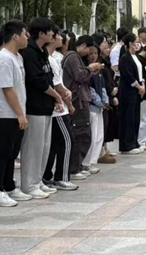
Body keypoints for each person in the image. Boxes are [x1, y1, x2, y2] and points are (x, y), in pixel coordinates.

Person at [20, 18, 65, 198]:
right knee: (33, 147)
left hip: (46, 106)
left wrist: (55, 99)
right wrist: (56, 95)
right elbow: (36, 80)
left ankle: (37, 180)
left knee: (44, 146)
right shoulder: (29, 53)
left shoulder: (42, 51)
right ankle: (29, 184)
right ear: (41, 33)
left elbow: (48, 77)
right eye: (50, 31)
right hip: (34, 106)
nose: (53, 34)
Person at [0, 21, 32, 207]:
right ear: (15, 36)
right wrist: (20, 114)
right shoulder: (3, 59)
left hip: (15, 114)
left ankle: (8, 186)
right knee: (1, 153)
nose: (27, 37)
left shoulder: (18, 57)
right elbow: (7, 89)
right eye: (25, 34)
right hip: (3, 115)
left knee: (11, 153)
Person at [43, 30, 78, 190]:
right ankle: (61, 177)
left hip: (57, 106)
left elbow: (60, 84)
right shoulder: (49, 59)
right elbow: (57, 86)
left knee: (53, 144)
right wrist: (69, 104)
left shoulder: (53, 58)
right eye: (56, 35)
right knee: (66, 141)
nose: (61, 38)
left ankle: (46, 176)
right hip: (57, 110)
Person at [63, 35, 101, 181]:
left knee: (83, 134)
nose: (90, 53)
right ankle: (74, 167)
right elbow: (79, 76)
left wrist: (89, 71)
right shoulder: (72, 56)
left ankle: (77, 165)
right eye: (89, 50)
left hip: (80, 99)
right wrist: (90, 69)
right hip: (77, 100)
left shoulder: (74, 56)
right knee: (81, 134)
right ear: (84, 45)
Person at [118, 33, 145, 154]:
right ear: (130, 44)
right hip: (128, 91)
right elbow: (128, 75)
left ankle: (135, 141)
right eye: (136, 41)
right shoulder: (125, 58)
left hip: (137, 90)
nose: (138, 44)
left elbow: (140, 73)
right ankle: (127, 144)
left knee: (135, 117)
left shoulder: (136, 57)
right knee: (128, 117)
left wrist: (142, 85)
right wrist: (138, 86)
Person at [85, 45, 108, 170]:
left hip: (100, 108)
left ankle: (93, 161)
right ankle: (87, 163)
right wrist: (99, 101)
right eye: (91, 53)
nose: (93, 56)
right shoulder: (87, 71)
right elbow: (89, 89)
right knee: (92, 136)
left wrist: (105, 100)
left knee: (99, 136)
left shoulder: (99, 71)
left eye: (95, 53)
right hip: (92, 107)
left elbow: (103, 87)